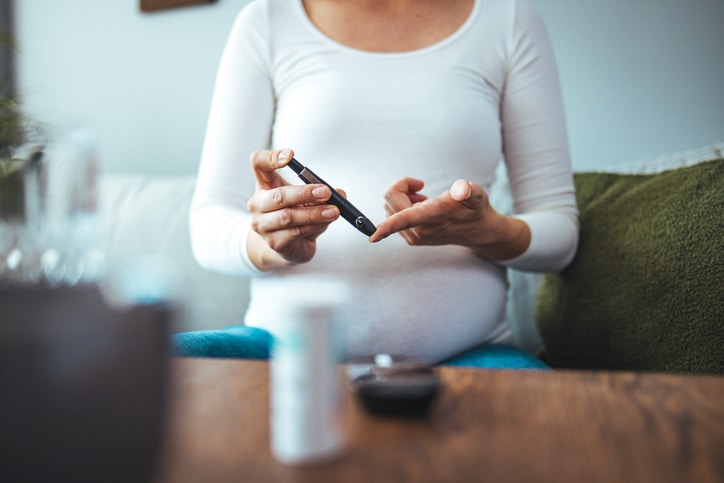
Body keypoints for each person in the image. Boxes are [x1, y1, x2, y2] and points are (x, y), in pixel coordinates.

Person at [187, 0, 579, 368]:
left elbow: (561, 232)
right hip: (282, 351)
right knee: (153, 369)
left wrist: (488, 232)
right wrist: (268, 243)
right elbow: (208, 224)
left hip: (470, 356)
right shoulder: (268, 21)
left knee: (555, 418)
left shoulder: (509, 21)